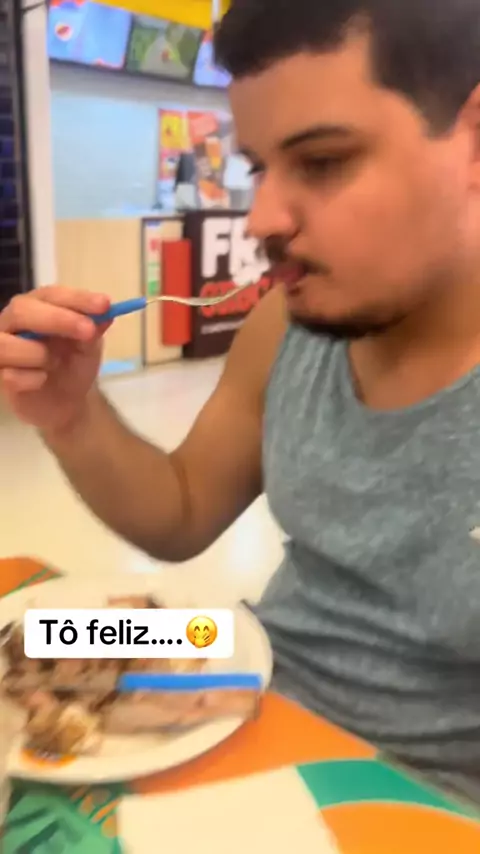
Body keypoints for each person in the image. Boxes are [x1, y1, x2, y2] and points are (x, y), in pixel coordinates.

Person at [2, 0, 480, 803]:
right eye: (258, 167)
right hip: (231, 665)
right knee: (27, 642)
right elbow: (182, 511)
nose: (261, 219)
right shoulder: (284, 326)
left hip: (401, 795)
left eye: (322, 162)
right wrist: (72, 415)